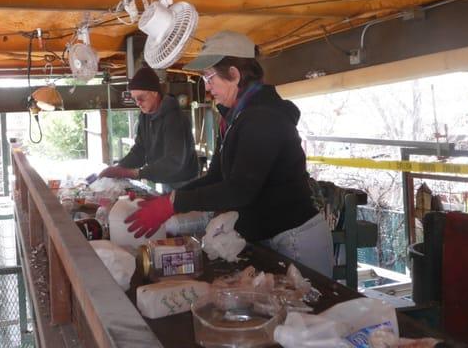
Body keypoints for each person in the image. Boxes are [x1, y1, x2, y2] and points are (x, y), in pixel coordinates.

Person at [125, 31, 333, 277]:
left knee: (306, 310)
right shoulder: (235, 118)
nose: (207, 86)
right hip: (268, 233)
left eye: (209, 77)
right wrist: (172, 198)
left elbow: (239, 190)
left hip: (294, 238)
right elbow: (216, 176)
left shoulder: (263, 117)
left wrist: (174, 203)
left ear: (234, 75)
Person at [99, 66, 199, 190]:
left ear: (154, 93)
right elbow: (140, 150)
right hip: (166, 178)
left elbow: (174, 161)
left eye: (141, 98)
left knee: (179, 208)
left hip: (185, 181)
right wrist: (119, 168)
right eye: (134, 99)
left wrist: (136, 173)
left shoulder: (174, 118)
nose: (138, 103)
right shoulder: (145, 117)